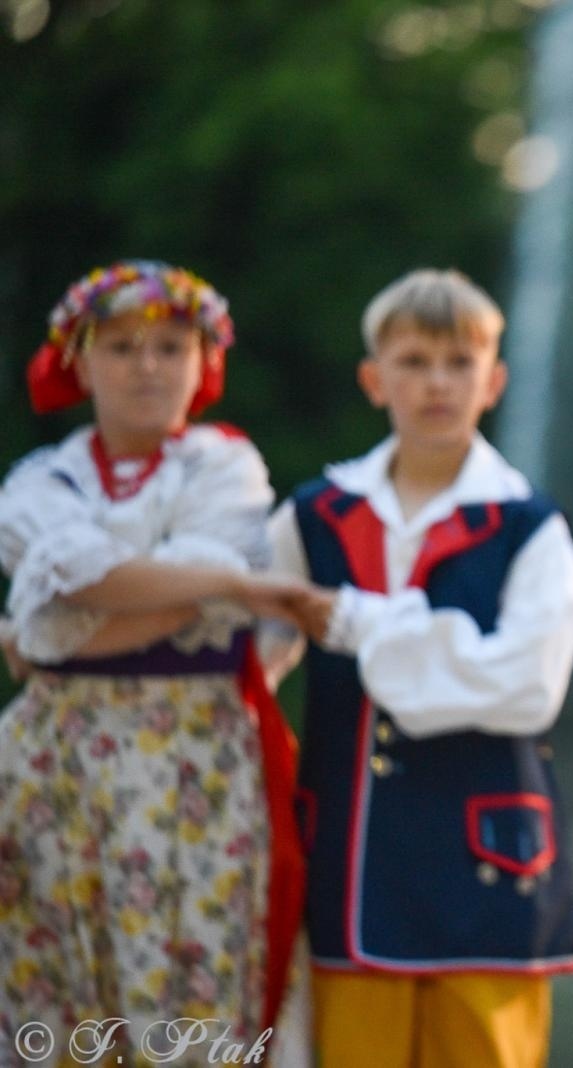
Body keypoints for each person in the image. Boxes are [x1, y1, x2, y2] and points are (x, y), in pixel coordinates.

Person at [258, 268, 573, 1068]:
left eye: (458, 361)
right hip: (351, 862)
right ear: (376, 379)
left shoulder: (530, 525)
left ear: (495, 380)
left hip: (492, 872)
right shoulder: (316, 516)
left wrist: (361, 622)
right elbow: (250, 658)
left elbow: (525, 688)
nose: (437, 382)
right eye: (413, 362)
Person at [0, 261, 305, 1058]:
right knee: (55, 971)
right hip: (56, 762)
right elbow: (82, 576)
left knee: (192, 969)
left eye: (171, 346)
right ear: (80, 361)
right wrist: (229, 587)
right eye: (123, 346)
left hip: (192, 758)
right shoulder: (39, 480)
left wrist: (49, 632)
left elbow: (71, 605)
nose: (147, 366)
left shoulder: (224, 466)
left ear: (205, 363)